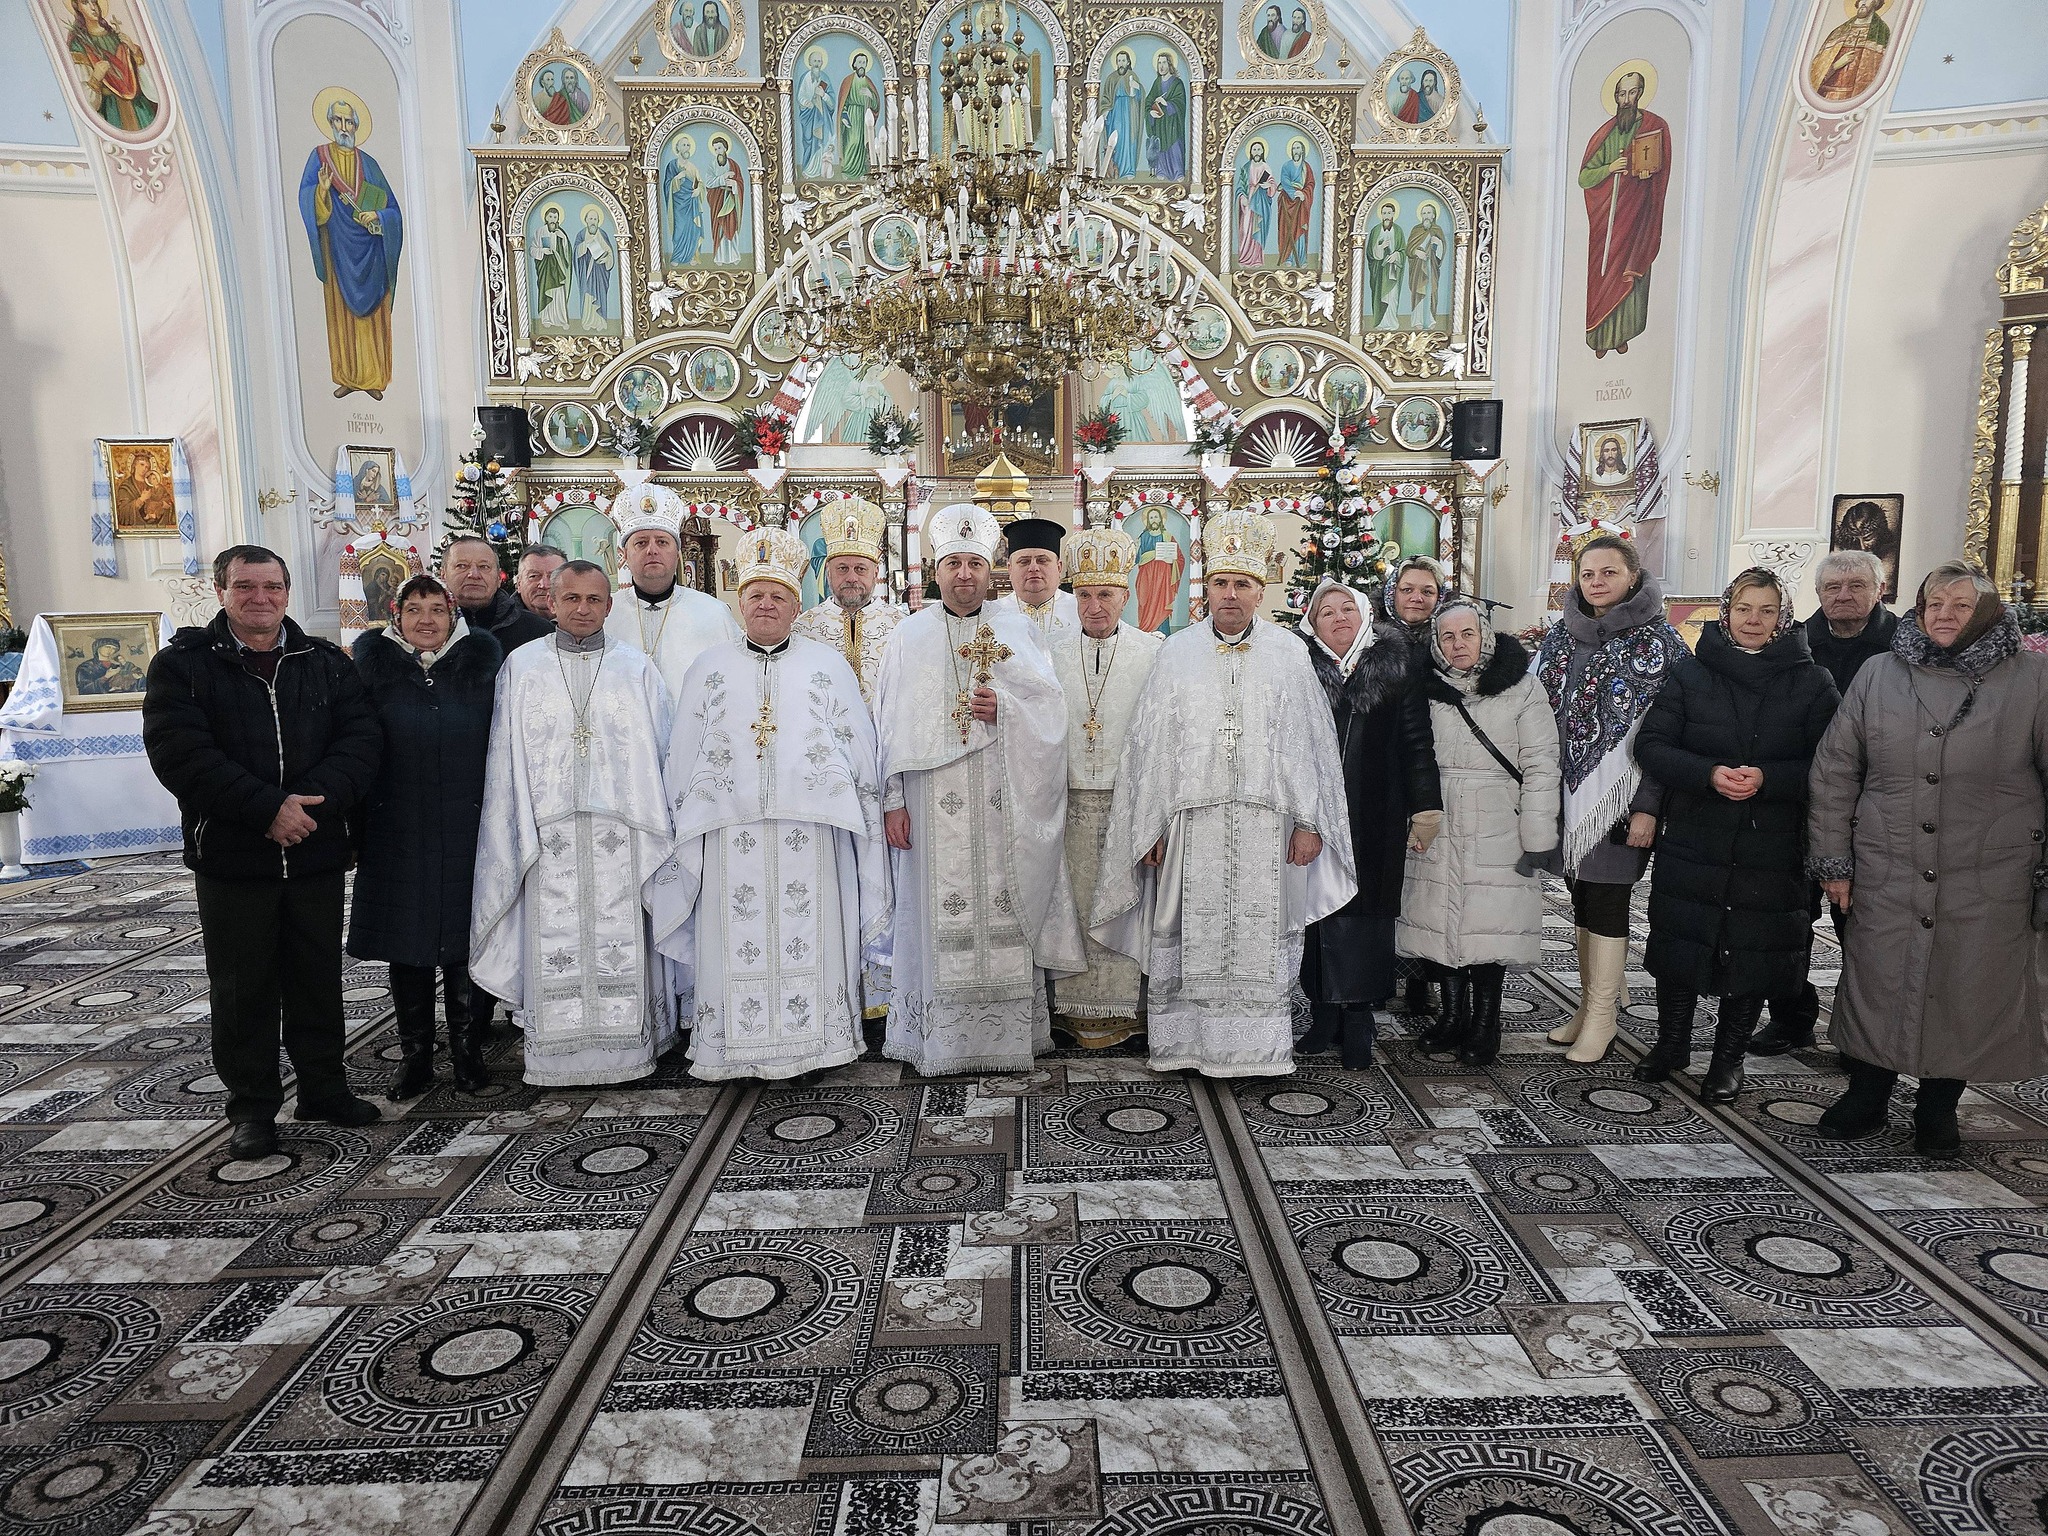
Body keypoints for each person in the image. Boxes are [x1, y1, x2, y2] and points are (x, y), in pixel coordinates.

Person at [1092, 509, 1356, 1075]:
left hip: (1269, 826)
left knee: (1262, 934)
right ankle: (1186, 1045)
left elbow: (1311, 744)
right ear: (1205, 588)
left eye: (1242, 584)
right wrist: (1150, 826)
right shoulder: (1176, 652)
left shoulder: (1288, 654)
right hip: (1191, 825)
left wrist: (1310, 822)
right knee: (1191, 933)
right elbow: (1151, 748)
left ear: (1260, 591)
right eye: (1220, 583)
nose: (1230, 594)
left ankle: (1259, 1050)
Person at [142, 546, 383, 1160]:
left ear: (287, 592)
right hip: (233, 856)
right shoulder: (183, 667)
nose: (260, 598)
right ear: (221, 592)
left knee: (316, 979)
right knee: (242, 986)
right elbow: (181, 755)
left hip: (313, 851)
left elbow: (360, 742)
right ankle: (252, 1107)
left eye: (272, 586)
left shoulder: (325, 663)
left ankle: (324, 1088)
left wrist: (307, 810)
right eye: (245, 586)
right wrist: (266, 809)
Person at [1808, 561, 2048, 1154]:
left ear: (1986, 613)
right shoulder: (1879, 673)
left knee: (1965, 982)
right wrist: (1834, 860)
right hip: (1888, 858)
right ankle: (1867, 1093)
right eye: (1934, 603)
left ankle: (1938, 1105)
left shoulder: (2033, 679)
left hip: (1990, 867)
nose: (1944, 614)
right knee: (1877, 977)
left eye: (1961, 605)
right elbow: (1836, 770)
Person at [649, 528, 890, 1081]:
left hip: (813, 833)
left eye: (778, 596)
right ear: (740, 603)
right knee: (735, 942)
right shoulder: (709, 667)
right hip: (727, 833)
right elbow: (683, 754)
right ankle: (734, 1048)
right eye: (755, 594)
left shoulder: (827, 666)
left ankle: (814, 1047)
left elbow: (858, 748)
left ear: (796, 607)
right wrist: (680, 822)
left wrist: (867, 817)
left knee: (812, 938)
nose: (765, 605)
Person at [874, 503, 1085, 1076]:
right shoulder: (908, 636)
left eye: (973, 563)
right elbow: (887, 724)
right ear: (935, 570)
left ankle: (1009, 1037)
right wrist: (893, 801)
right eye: (953, 564)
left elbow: (1051, 712)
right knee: (935, 913)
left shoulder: (1015, 628)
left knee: (1002, 906)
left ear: (989, 569)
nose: (964, 574)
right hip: (929, 796)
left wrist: (1006, 709)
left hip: (1001, 794)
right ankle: (938, 1040)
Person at [1630, 570, 1839, 1101]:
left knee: (1753, 950)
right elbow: (1652, 745)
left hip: (1772, 841)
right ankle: (1671, 1043)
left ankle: (1728, 1061)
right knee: (1681, 939)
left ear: (1783, 617)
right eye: (1744, 608)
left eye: (1767, 610)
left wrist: (1768, 779)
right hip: (1696, 833)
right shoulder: (1690, 673)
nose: (1753, 620)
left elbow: (1829, 763)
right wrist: (1708, 773)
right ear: (1726, 611)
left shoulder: (1813, 681)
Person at [470, 561, 676, 1086]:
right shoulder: (522, 666)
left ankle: (628, 1051)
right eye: (572, 599)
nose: (583, 609)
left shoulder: (636, 668)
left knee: (622, 936)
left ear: (609, 605)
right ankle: (556, 1058)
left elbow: (661, 752)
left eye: (593, 599)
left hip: (623, 835)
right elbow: (506, 756)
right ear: (552, 603)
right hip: (547, 834)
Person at [348, 576, 503, 1098]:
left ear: (453, 616)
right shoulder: (372, 671)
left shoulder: (483, 668)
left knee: (466, 938)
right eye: (414, 609)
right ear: (396, 617)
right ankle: (415, 1056)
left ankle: (467, 1051)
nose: (426, 620)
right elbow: (355, 745)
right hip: (398, 827)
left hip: (469, 824)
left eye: (437, 609)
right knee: (407, 942)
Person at [1535, 532, 1686, 1063]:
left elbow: (1672, 732)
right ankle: (1588, 1004)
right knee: (1581, 894)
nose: (1596, 583)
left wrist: (1648, 805)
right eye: (1588, 574)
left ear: (1633, 577)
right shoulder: (1560, 636)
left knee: (1607, 896)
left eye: (1608, 573)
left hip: (1622, 799)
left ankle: (1603, 1015)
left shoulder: (1661, 643)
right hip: (1566, 792)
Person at [1286, 579, 1441, 1066]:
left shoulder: (1397, 667)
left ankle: (1358, 1019)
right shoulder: (1295, 670)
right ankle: (1323, 1014)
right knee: (1317, 912)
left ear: (1364, 616)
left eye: (1346, 609)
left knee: (1367, 916)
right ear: (1312, 624)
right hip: (1312, 816)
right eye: (1326, 611)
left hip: (1377, 814)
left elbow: (1417, 742)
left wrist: (1426, 806)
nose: (1338, 618)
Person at [1400, 603, 1560, 1066]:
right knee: (1438, 921)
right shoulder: (1422, 687)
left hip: (1499, 821)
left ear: (1485, 636)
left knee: (1491, 925)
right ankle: (1452, 1017)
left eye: (1467, 634)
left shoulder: (1522, 687)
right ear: (1436, 643)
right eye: (1447, 637)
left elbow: (1541, 764)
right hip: (1437, 816)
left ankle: (1486, 1022)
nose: (1458, 644)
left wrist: (1537, 836)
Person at [1751, 549, 1896, 1056]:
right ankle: (1791, 1018)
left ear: (1880, 590)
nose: (1843, 595)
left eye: (1856, 585)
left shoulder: (1903, 647)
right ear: (1818, 594)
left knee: (1863, 930)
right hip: (1797, 802)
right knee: (1786, 921)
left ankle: (1863, 1039)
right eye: (1832, 587)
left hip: (1872, 809)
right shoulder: (1794, 645)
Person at [1048, 527, 1162, 1048]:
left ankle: (1127, 1011)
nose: (1095, 607)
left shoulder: (1153, 653)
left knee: (1125, 905)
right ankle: (1067, 1011)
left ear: (1126, 595)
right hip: (1065, 803)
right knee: (1067, 907)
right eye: (1085, 595)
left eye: (1106, 595)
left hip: (1127, 803)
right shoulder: (1049, 652)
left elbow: (1162, 739)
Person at [604, 482, 741, 698]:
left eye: (662, 542)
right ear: (624, 555)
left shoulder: (714, 614)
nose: (652, 550)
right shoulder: (605, 614)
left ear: (677, 553)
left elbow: (734, 683)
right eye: (641, 543)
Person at [791, 498, 905, 705]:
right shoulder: (803, 629)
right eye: (842, 568)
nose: (852, 577)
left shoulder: (901, 627)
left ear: (875, 573)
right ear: (828, 573)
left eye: (860, 569)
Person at [444, 534, 551, 654]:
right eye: (462, 566)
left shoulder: (539, 631)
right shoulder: (429, 629)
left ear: (499, 577)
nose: (474, 574)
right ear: (443, 575)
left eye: (484, 567)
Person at [990, 517, 1077, 649]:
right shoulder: (993, 615)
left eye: (1042, 561)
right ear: (1010, 568)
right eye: (1024, 562)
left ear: (1059, 567)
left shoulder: (1080, 611)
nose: (1033, 568)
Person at [1384, 556, 1446, 647]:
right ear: (1392, 593)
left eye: (1427, 592)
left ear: (1439, 597)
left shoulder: (1453, 641)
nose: (1416, 598)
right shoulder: (1368, 637)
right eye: (1407, 590)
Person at [515, 543, 567, 620]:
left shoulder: (584, 619)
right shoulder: (501, 622)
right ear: (519, 584)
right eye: (534, 576)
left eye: (553, 576)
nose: (544, 585)